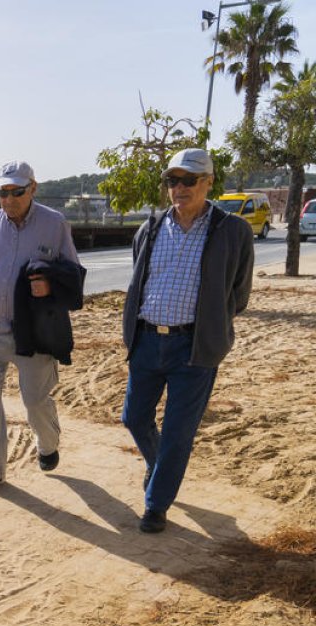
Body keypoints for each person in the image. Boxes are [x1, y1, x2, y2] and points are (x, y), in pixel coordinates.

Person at [121, 148, 253, 533]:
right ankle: (160, 467)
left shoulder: (232, 230)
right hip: (146, 340)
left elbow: (239, 294)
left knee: (179, 431)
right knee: (134, 417)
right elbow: (138, 277)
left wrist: (212, 324)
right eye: (172, 181)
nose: (179, 188)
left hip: (194, 348)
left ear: (208, 182)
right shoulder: (151, 226)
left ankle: (156, 504)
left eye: (188, 180)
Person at [0, 160, 81, 492]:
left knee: (35, 400)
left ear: (33, 188)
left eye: (16, 191)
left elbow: (74, 276)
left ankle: (48, 443)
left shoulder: (55, 225)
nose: (9, 199)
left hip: (34, 332)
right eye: (2, 192)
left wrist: (51, 287)